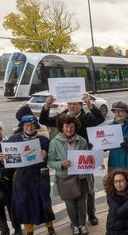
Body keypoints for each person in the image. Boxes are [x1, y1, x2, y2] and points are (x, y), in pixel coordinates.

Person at [40, 92, 105, 226]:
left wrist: (89, 104)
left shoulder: (87, 117)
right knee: (71, 191)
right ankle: (75, 220)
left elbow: (100, 119)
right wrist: (47, 105)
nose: (72, 106)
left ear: (80, 105)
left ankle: (91, 214)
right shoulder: (63, 116)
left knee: (89, 190)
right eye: (70, 103)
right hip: (67, 161)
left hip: (85, 159)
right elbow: (44, 120)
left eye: (75, 103)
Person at [7, 115, 56, 235]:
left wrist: (45, 157)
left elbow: (51, 158)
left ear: (36, 126)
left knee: (44, 202)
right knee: (24, 203)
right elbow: (9, 160)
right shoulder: (13, 140)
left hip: (40, 175)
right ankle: (29, 232)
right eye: (26, 125)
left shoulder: (43, 140)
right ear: (22, 126)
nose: (29, 127)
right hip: (22, 177)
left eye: (32, 125)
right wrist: (2, 158)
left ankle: (50, 227)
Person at [48, 114, 93, 235]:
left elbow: (88, 158)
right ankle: (74, 225)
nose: (69, 129)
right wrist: (60, 164)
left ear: (75, 127)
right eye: (66, 126)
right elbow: (50, 161)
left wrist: (96, 164)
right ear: (62, 127)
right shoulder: (54, 142)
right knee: (70, 205)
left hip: (81, 177)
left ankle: (82, 225)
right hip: (65, 178)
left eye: (72, 126)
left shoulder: (82, 140)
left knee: (82, 203)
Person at [107, 101, 128, 173]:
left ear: (127, 113)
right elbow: (105, 145)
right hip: (114, 163)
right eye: (115, 112)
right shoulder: (110, 127)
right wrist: (96, 145)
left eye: (120, 111)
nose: (117, 114)